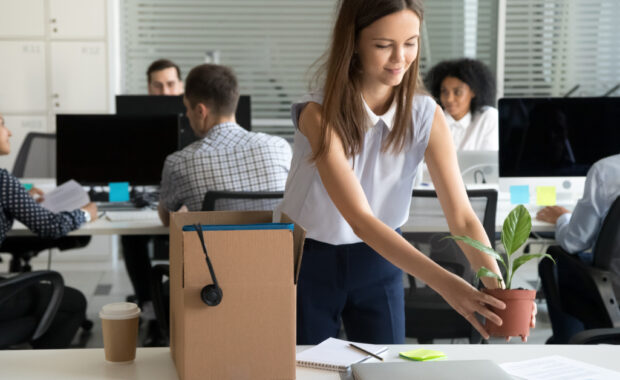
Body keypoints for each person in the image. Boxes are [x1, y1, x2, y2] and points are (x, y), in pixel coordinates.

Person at [275, 0, 538, 345]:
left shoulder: (426, 114)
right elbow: (360, 219)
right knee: (307, 369)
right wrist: (448, 286)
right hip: (308, 260)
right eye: (384, 45)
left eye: (410, 43)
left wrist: (498, 291)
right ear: (353, 42)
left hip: (382, 258)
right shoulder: (317, 113)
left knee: (386, 368)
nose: (400, 58)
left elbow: (462, 216)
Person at [0, 113, 97, 348]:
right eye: (2, 125)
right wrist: (86, 213)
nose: (10, 132)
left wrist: (21, 193)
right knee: (72, 303)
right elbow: (50, 226)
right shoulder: (3, 182)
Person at [158, 63, 291, 225]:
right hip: (276, 250)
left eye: (187, 108)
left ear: (201, 111)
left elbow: (166, 219)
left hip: (213, 251)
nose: (186, 114)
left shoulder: (179, 162)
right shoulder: (279, 148)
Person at [121, 58, 185, 347]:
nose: (165, 91)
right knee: (130, 236)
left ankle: (174, 306)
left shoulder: (196, 115)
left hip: (183, 197)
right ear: (148, 88)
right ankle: (149, 305)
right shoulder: (135, 119)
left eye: (171, 84)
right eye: (158, 86)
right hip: (144, 194)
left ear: (181, 86)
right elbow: (118, 168)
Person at [536, 153, 620, 343]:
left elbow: (575, 242)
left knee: (554, 261)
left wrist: (563, 218)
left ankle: (569, 344)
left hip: (613, 292)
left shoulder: (606, 170)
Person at [424, 58, 498, 151]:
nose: (449, 99)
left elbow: (489, 160)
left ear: (473, 92)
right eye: (444, 92)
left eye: (458, 92)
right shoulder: (429, 120)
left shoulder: (488, 118)